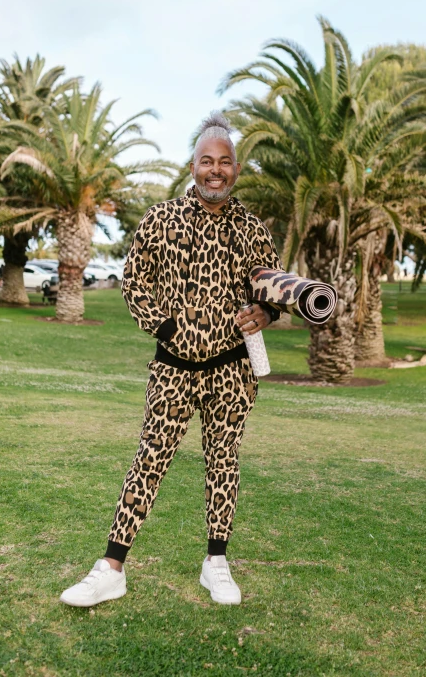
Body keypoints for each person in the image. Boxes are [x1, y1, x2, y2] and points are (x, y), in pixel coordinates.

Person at [60, 112, 282, 608]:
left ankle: (216, 564)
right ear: (193, 165)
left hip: (232, 370)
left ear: (237, 169)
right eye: (208, 161)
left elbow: (272, 288)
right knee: (149, 460)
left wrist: (265, 313)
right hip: (172, 369)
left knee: (223, 462)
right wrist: (165, 326)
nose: (216, 170)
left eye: (225, 162)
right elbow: (134, 281)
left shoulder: (252, 228)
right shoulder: (161, 219)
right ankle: (111, 568)